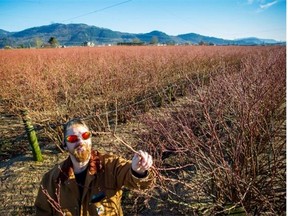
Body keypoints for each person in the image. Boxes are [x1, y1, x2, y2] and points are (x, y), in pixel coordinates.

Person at [35, 118, 154, 216]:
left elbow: (134, 178)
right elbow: (42, 212)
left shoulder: (109, 165)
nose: (80, 141)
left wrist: (138, 171)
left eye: (85, 135)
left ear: (91, 139)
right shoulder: (51, 180)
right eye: (72, 138)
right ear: (65, 146)